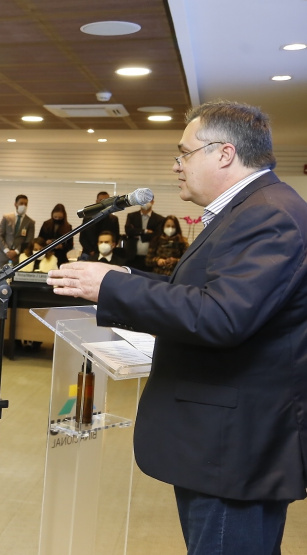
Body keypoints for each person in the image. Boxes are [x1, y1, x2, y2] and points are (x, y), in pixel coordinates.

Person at [48, 100, 307, 554]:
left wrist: (111, 285)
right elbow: (206, 292)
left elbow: (222, 316)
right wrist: (128, 279)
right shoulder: (248, 209)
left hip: (234, 447)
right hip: (222, 438)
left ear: (224, 154)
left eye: (184, 153)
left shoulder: (268, 214)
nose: (175, 165)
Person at [124, 195, 165, 271]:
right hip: (132, 256)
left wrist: (138, 234)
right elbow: (128, 231)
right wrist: (144, 231)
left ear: (152, 202)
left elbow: (156, 236)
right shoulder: (131, 216)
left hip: (150, 258)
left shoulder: (159, 219)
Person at [78, 191, 120, 259]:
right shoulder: (87, 218)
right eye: (101, 200)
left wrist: (107, 250)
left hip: (107, 254)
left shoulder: (114, 219)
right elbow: (82, 238)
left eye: (107, 200)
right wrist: (91, 251)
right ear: (97, 201)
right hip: (88, 253)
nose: (104, 202)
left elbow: (116, 237)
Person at [0, 194, 35, 266]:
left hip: (19, 257)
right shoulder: (6, 218)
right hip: (4, 256)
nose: (23, 206)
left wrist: (16, 252)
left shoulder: (30, 222)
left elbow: (29, 241)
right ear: (15, 204)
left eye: (26, 204)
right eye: (21, 203)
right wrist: (7, 251)